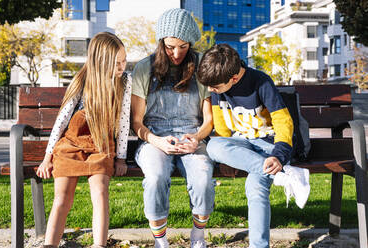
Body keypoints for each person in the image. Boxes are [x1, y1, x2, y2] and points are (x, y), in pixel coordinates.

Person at [197, 44, 310, 248]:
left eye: (215, 88)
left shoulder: (261, 82)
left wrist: (279, 155)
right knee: (213, 147)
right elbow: (221, 127)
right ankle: (284, 176)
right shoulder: (217, 84)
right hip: (245, 145)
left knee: (255, 186)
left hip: (270, 147)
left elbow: (284, 122)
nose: (210, 91)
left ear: (233, 78)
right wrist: (226, 159)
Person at [36, 32, 131, 248]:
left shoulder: (125, 81)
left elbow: (124, 122)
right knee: (62, 197)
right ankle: (49, 245)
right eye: (116, 63)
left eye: (124, 61)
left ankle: (99, 245)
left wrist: (121, 158)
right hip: (71, 144)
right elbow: (61, 121)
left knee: (100, 191)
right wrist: (47, 157)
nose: (122, 67)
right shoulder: (82, 81)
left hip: (101, 146)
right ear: (100, 62)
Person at [131, 8, 215, 248]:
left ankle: (198, 238)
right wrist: (156, 141)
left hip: (192, 135)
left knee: (203, 179)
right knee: (156, 178)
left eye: (183, 46)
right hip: (153, 138)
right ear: (161, 43)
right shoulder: (144, 69)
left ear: (190, 43)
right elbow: (137, 122)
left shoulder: (201, 67)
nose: (176, 53)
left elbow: (209, 120)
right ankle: (161, 242)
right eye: (169, 47)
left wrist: (197, 138)